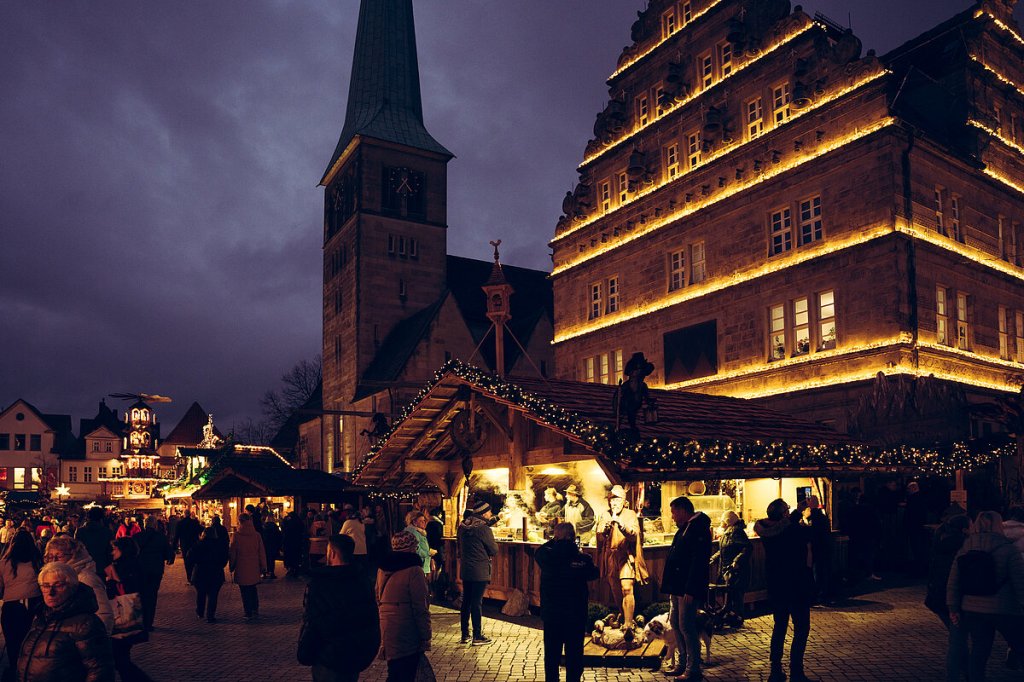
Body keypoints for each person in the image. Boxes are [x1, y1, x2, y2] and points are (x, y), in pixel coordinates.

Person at [947, 510, 1024, 682]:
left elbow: (954, 581)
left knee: (979, 651)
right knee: (1020, 645)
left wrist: (953, 607)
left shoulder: (965, 548)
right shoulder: (1008, 550)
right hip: (1004, 608)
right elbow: (1020, 582)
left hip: (972, 608)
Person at [298, 535, 380, 681]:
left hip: (328, 658)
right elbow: (370, 619)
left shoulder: (320, 585)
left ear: (333, 553)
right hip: (354, 655)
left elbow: (312, 623)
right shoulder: (362, 581)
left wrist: (305, 652)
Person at [18, 561, 115, 681]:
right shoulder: (41, 619)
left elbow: (99, 670)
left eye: (58, 585)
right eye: (46, 586)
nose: (51, 592)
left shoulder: (86, 623)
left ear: (72, 587)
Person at [754, 499, 817, 682]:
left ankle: (775, 670)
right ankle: (796, 671)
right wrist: (810, 511)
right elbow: (814, 534)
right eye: (787, 510)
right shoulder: (793, 530)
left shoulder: (765, 531)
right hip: (797, 584)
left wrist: (797, 513)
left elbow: (784, 527)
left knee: (779, 627)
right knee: (801, 628)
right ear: (783, 514)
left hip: (776, 585)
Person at [535, 522, 599, 682]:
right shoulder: (583, 559)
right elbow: (594, 574)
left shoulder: (547, 556)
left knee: (552, 655)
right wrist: (574, 548)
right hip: (575, 615)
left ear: (556, 538)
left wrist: (555, 540)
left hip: (552, 614)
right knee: (574, 654)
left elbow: (539, 552)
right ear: (572, 537)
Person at [661, 496, 711, 681]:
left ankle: (693, 668)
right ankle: (682, 663)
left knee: (686, 625)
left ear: (683, 510)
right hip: (677, 586)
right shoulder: (686, 528)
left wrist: (691, 588)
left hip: (686, 588)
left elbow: (698, 562)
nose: (673, 517)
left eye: (674, 512)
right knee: (675, 623)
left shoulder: (697, 529)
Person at [377, 531, 431, 682]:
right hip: (406, 625)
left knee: (394, 669)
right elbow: (420, 606)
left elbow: (377, 595)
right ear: (411, 547)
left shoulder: (383, 568)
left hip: (387, 624)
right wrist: (425, 635)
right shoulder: (414, 570)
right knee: (406, 671)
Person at [594, 485, 648, 626]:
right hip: (610, 557)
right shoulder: (605, 515)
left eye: (617, 500)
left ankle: (629, 623)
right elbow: (599, 538)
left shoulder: (630, 514)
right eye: (611, 500)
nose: (613, 503)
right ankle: (624, 617)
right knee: (616, 590)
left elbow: (633, 535)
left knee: (627, 587)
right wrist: (604, 529)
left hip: (625, 556)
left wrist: (621, 525)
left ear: (624, 502)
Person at [44, 535, 114, 634]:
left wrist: (96, 641)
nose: (54, 560)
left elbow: (104, 614)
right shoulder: (57, 577)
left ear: (74, 555)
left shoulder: (84, 578)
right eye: (50, 557)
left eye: (59, 556)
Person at [105, 538, 152, 682]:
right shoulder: (127, 564)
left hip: (125, 614)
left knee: (120, 658)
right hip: (124, 614)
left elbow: (130, 588)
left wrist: (113, 579)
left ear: (123, 550)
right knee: (121, 657)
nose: (112, 552)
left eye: (115, 549)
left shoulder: (128, 565)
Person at [0, 529, 42, 682]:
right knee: (31, 641)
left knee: (12, 642)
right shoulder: (37, 561)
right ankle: (30, 672)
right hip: (33, 604)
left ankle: (15, 670)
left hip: (11, 605)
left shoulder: (4, 563)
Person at [458, 501, 498, 645]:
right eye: (488, 512)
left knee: (466, 602)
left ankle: (464, 634)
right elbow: (494, 550)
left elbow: (459, 547)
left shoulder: (463, 526)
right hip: (480, 569)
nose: (490, 515)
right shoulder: (483, 528)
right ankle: (477, 636)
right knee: (476, 602)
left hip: (466, 568)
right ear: (483, 513)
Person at [925, 514, 970, 629]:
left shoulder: (940, 542)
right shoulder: (961, 546)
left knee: (956, 632)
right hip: (950, 594)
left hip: (938, 592)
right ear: (964, 529)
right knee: (958, 632)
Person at [134, 516, 173, 633]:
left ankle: (140, 621)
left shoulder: (137, 537)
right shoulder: (161, 537)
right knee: (152, 596)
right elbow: (168, 553)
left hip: (140, 570)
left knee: (141, 595)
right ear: (155, 525)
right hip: (156, 570)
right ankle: (148, 623)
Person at [713, 510, 751, 626]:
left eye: (723, 520)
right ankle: (730, 616)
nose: (721, 522)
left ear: (728, 521)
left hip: (734, 570)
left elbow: (747, 547)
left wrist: (736, 561)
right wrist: (714, 557)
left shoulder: (736, 532)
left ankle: (737, 619)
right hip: (728, 569)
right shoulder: (729, 532)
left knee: (736, 594)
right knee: (730, 594)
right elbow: (725, 549)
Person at [229, 513, 267, 621]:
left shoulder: (236, 535)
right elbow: (261, 552)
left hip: (242, 566)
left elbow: (233, 553)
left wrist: (232, 566)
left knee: (244, 590)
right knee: (253, 588)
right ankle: (255, 608)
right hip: (254, 566)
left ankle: (248, 611)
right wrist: (263, 565)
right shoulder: (256, 535)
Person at [187, 527, 228, 623]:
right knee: (213, 595)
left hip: (200, 573)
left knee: (201, 593)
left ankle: (200, 612)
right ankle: (210, 615)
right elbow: (224, 559)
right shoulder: (219, 546)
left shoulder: (199, 544)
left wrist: (195, 563)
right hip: (216, 573)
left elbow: (190, 556)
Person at [801, 496, 834, 605]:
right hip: (824, 548)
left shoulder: (812, 517)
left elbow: (811, 533)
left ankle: (819, 595)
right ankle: (824, 594)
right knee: (822, 572)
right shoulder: (822, 517)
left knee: (817, 573)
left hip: (816, 549)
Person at [75, 507, 114, 579]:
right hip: (102, 565)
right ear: (101, 518)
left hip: (84, 566)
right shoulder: (107, 532)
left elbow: (77, 550)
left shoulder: (80, 531)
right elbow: (110, 551)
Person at [173, 511, 202, 584]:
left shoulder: (180, 523)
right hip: (194, 544)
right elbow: (201, 529)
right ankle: (195, 576)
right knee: (195, 560)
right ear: (190, 515)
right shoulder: (194, 522)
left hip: (185, 545)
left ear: (184, 514)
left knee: (187, 561)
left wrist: (174, 546)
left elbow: (176, 536)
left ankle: (189, 578)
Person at [402, 511, 432, 577]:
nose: (424, 523)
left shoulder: (418, 531)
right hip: (419, 564)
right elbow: (416, 548)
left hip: (419, 563)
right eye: (421, 521)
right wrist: (427, 554)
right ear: (414, 522)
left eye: (424, 520)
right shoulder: (413, 531)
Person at [282, 512, 308, 577]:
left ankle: (291, 569)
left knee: (290, 556)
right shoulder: (299, 522)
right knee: (296, 556)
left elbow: (285, 530)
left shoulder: (289, 523)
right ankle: (296, 569)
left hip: (289, 542)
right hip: (297, 542)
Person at [425, 508, 444, 579]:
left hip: (430, 546)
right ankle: (436, 580)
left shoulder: (429, 523)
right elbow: (439, 536)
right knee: (438, 563)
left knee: (432, 565)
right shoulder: (438, 524)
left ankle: (433, 580)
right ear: (438, 514)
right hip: (437, 547)